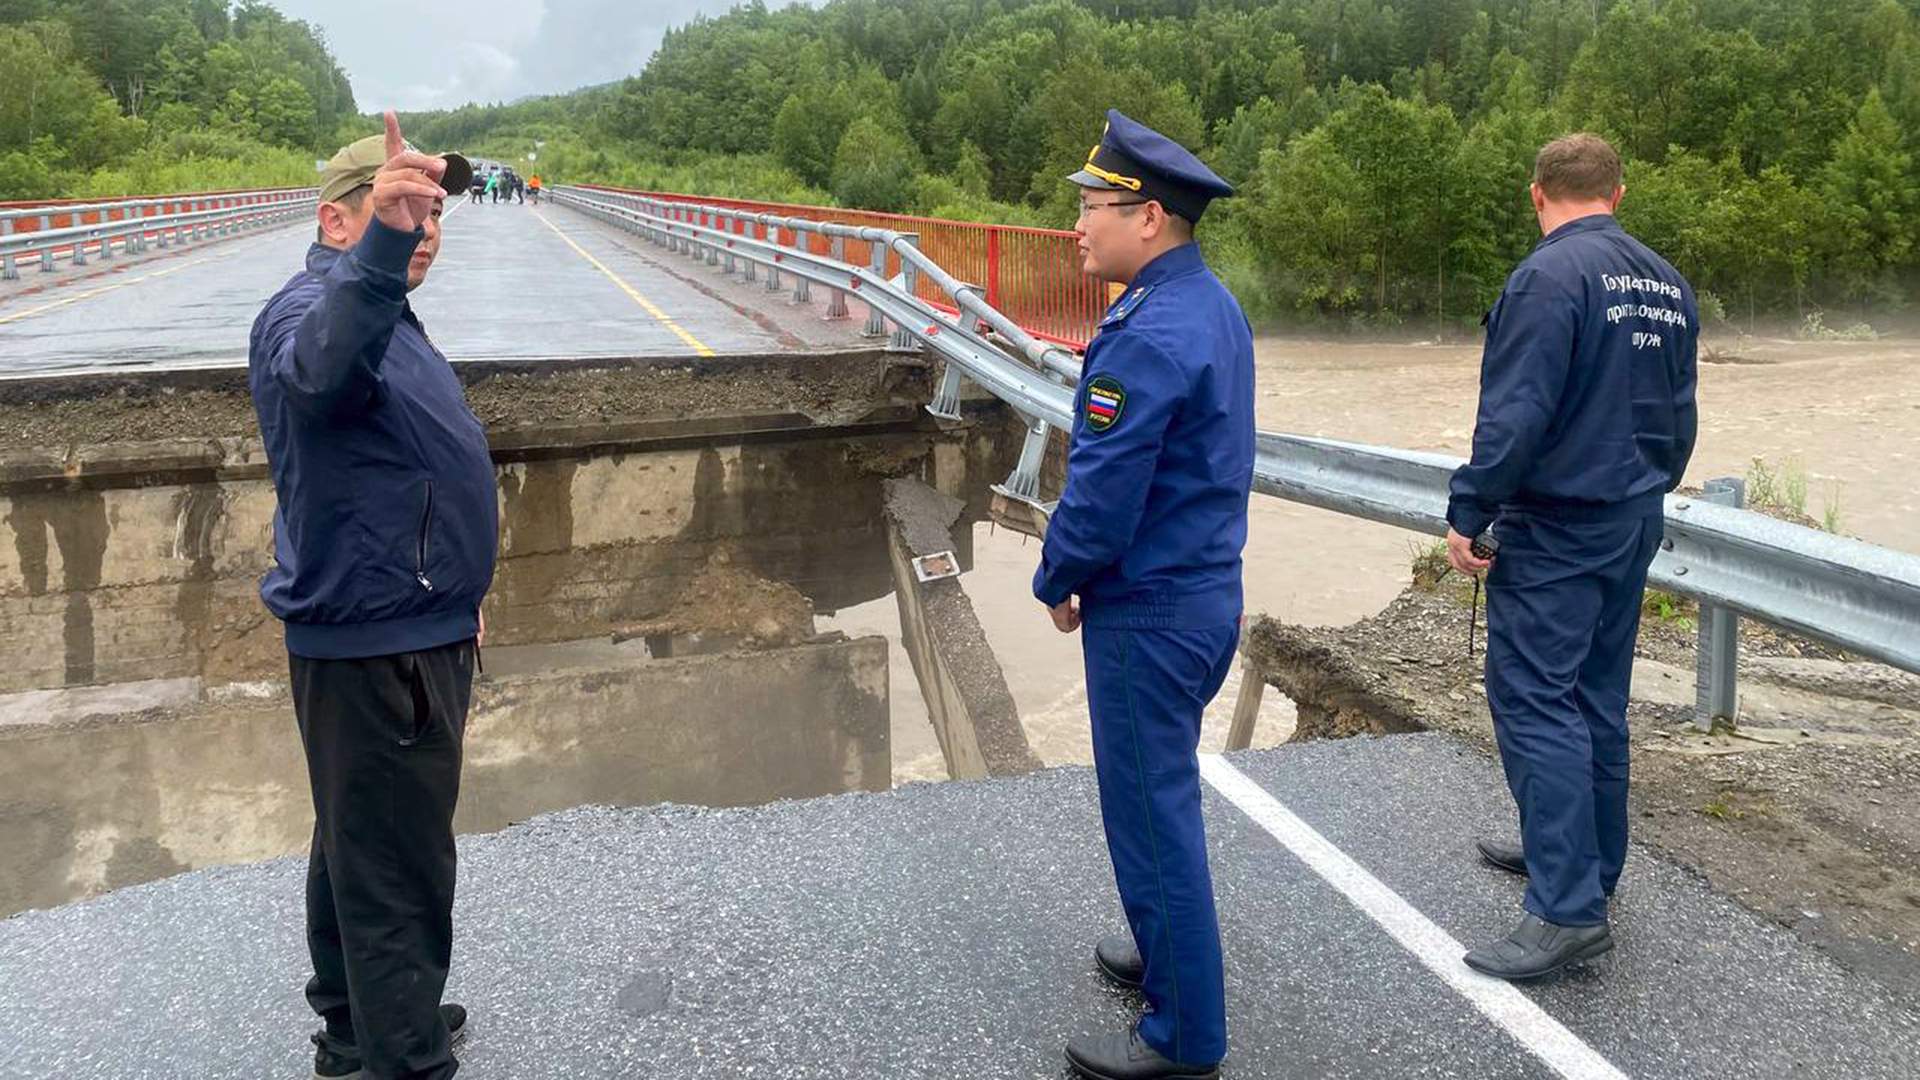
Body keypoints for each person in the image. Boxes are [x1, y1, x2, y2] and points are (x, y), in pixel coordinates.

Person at [248, 111, 498, 1079]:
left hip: (400, 617)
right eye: (397, 210)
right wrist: (385, 252)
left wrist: (459, 588)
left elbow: (399, 472)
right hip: (379, 642)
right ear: (336, 221)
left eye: (432, 213)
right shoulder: (310, 310)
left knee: (358, 843)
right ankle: (405, 1055)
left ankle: (361, 1026)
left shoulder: (380, 305)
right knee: (399, 866)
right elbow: (318, 375)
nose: (425, 228)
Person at [1445, 133, 1698, 980]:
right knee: (1595, 693)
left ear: (1537, 193)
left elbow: (1515, 415)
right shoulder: (1665, 282)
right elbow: (1680, 415)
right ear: (1618, 195)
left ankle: (1566, 910)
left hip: (1556, 524)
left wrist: (1469, 511)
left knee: (1533, 698)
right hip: (1633, 514)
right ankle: (1591, 861)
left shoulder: (1547, 277)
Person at [1035, 109, 1250, 1080]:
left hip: (1150, 611)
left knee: (1151, 815)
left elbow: (1105, 493)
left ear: (1149, 217)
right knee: (1161, 801)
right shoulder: (1212, 306)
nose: (1078, 225)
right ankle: (1161, 948)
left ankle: (1183, 1038)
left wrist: (1058, 575)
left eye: (1094, 207)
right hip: (1203, 597)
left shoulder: (1144, 333)